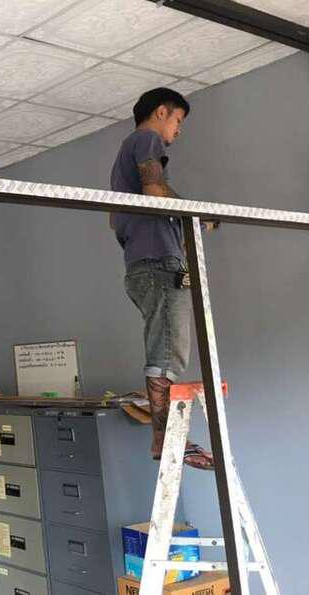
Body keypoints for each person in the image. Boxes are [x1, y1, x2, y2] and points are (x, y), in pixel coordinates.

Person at [110, 87, 214, 470]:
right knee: (168, 352)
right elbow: (154, 188)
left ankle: (166, 437)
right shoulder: (146, 139)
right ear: (160, 113)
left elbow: (114, 220)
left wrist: (184, 225)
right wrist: (192, 213)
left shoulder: (122, 162)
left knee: (166, 348)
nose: (178, 130)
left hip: (141, 265)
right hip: (157, 264)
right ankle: (167, 439)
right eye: (178, 120)